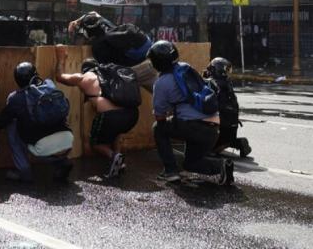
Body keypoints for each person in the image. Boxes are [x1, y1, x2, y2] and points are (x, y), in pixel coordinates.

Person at [148, 41, 234, 185]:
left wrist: (171, 113)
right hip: (213, 129)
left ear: (157, 63)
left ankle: (170, 171)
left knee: (158, 128)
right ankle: (222, 166)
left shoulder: (161, 83)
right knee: (191, 164)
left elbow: (159, 116)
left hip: (193, 128)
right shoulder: (185, 68)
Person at [53, 45, 139, 178]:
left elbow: (60, 77)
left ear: (85, 69)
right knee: (116, 133)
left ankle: (114, 156)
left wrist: (61, 57)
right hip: (132, 115)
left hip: (111, 117)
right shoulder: (112, 74)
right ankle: (119, 162)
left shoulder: (85, 78)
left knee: (96, 143)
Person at [0, 62, 74, 182]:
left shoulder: (15, 98)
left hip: (43, 147)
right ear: (36, 75)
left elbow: (1, 122)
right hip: (67, 139)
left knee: (11, 125)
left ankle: (24, 172)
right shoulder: (50, 86)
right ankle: (61, 162)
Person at [68, 11, 156, 89]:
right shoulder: (105, 24)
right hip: (151, 59)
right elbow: (94, 13)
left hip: (138, 69)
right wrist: (78, 20)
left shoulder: (98, 47)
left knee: (111, 89)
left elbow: (107, 70)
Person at [205, 57, 252, 158]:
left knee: (202, 150)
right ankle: (237, 142)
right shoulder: (228, 83)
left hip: (219, 129)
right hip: (232, 127)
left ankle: (214, 148)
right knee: (226, 139)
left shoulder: (211, 83)